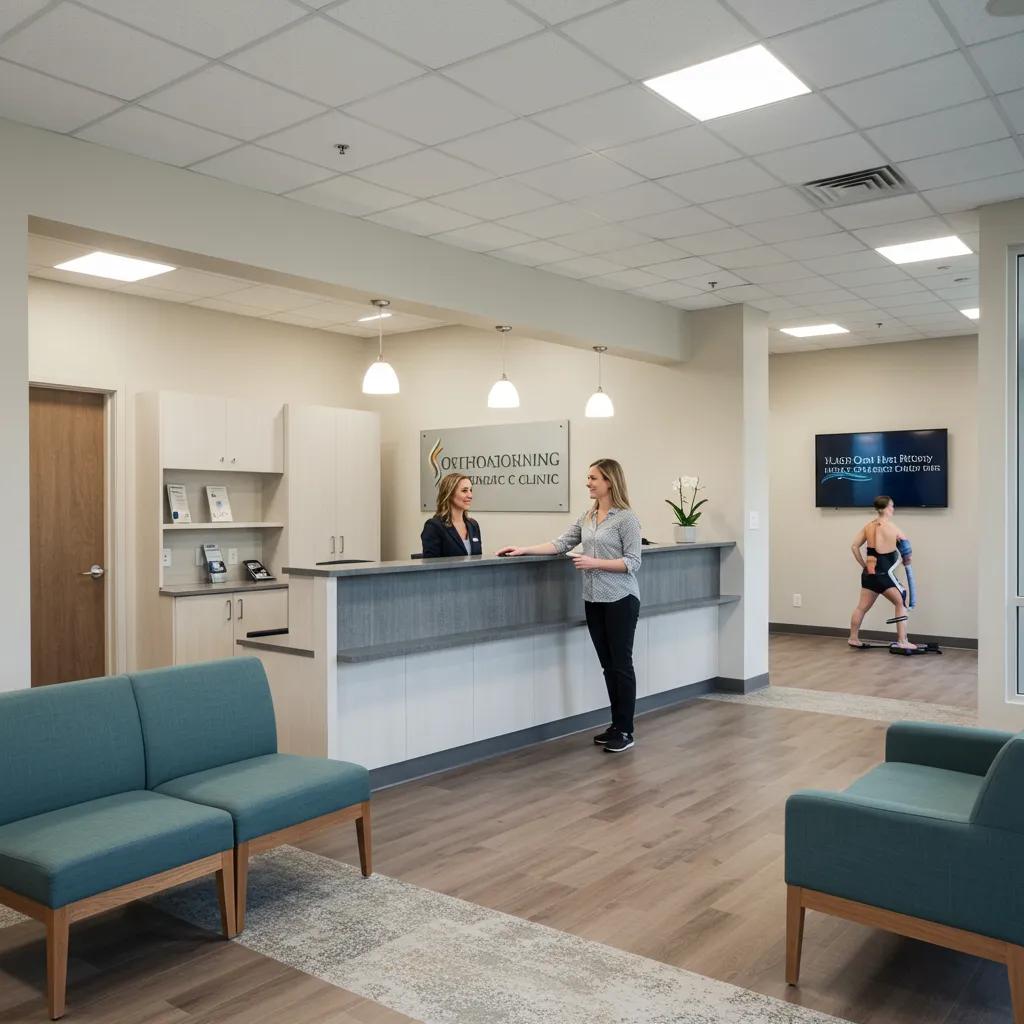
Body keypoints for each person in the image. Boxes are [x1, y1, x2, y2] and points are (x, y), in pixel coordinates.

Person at [498, 459, 642, 753]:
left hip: (621, 600)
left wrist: (594, 562)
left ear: (609, 481)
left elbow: (633, 562)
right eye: (588, 478)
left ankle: (626, 730)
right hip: (593, 600)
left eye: (593, 478)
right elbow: (561, 543)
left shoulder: (626, 519)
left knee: (621, 665)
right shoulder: (587, 516)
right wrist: (524, 549)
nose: (588, 482)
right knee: (608, 666)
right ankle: (615, 725)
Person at [848, 495, 922, 652]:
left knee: (861, 607)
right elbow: (907, 551)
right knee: (901, 602)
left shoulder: (868, 526)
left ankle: (853, 638)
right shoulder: (893, 528)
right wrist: (907, 561)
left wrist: (863, 565)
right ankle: (902, 641)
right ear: (887, 508)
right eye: (892, 506)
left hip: (869, 573)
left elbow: (854, 546)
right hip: (884, 574)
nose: (893, 509)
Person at [421, 473, 482, 558]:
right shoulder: (434, 526)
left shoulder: (473, 525)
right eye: (464, 491)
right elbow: (431, 564)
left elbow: (479, 561)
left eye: (470, 490)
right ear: (449, 494)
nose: (470, 495)